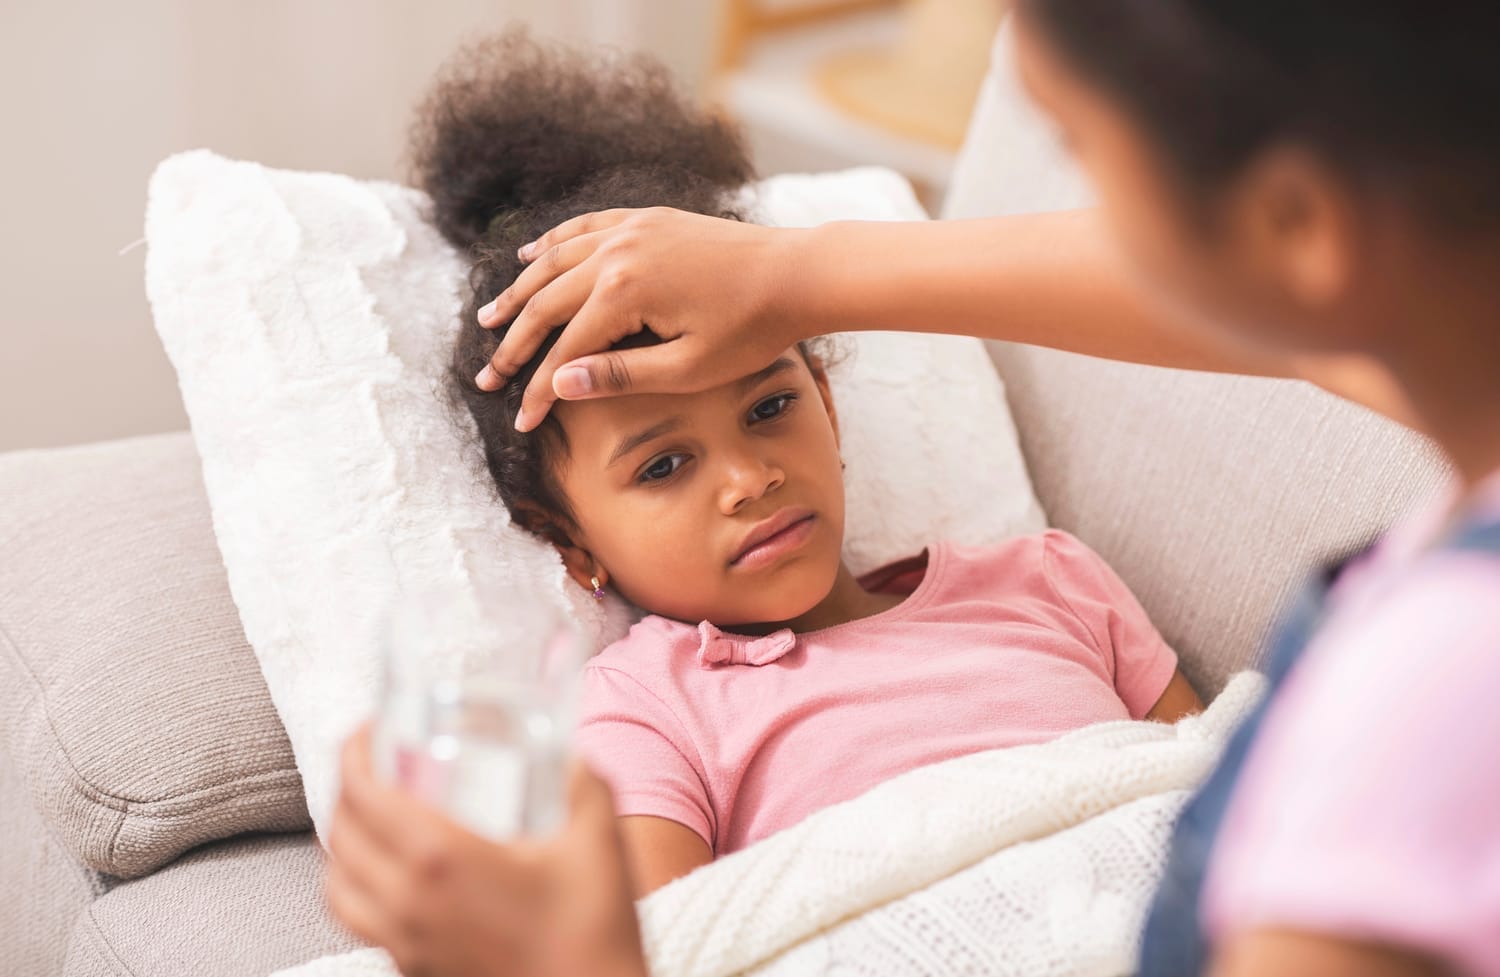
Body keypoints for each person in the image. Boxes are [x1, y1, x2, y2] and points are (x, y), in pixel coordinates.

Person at [326, 2, 1500, 975]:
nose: (745, 477)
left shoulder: (1410, 688)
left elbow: (1167, 775)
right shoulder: (654, 700)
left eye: (1079, 152)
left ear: (1298, 223)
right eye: (665, 462)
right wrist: (797, 275)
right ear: (569, 540)